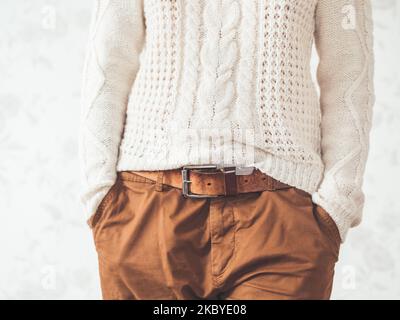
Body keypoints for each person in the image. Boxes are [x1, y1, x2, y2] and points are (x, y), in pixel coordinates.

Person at [78, 0, 375, 300]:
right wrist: (100, 197)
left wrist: (337, 206)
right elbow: (108, 61)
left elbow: (348, 73)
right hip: (146, 210)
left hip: (281, 218)